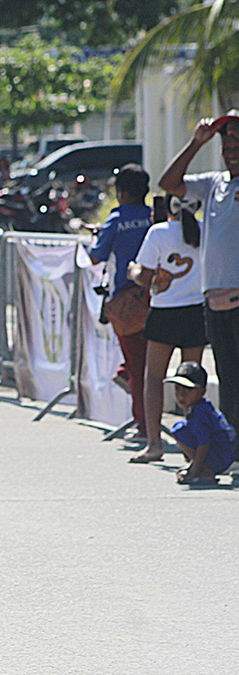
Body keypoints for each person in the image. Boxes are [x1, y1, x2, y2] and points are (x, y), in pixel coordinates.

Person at [158, 111, 239, 463]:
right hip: (215, 302)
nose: (231, 150)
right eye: (226, 144)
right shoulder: (214, 184)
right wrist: (196, 143)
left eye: (237, 143)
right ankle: (234, 456)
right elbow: (169, 183)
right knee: (229, 380)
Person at [127, 195, 207, 463]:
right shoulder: (205, 229)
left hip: (165, 311)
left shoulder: (159, 232)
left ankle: (154, 443)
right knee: (193, 380)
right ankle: (193, 446)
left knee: (153, 378)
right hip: (196, 310)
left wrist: (132, 271)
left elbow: (144, 277)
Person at [87, 163, 153, 439]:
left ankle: (144, 427)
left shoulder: (116, 219)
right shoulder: (154, 216)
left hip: (127, 304)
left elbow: (96, 257)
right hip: (157, 298)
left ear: (121, 192)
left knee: (138, 369)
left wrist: (100, 235)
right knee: (149, 364)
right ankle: (125, 375)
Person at [164, 361, 237, 484]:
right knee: (180, 427)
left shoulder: (200, 413)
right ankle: (201, 467)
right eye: (177, 389)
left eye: (187, 390)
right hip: (221, 453)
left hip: (220, 455)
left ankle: (205, 471)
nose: (181, 395)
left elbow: (204, 444)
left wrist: (194, 469)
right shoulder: (196, 408)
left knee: (179, 431)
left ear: (202, 392)